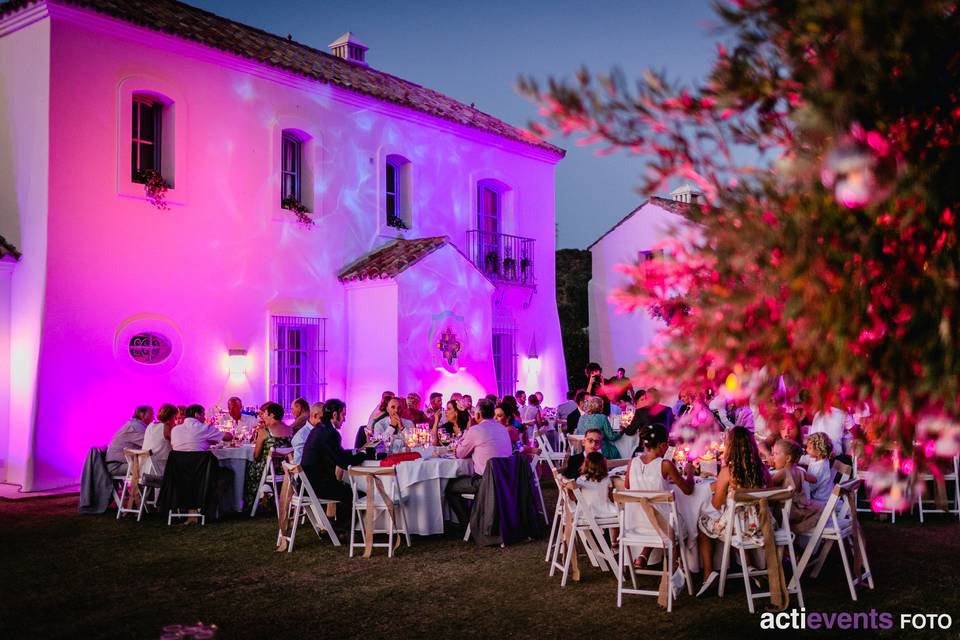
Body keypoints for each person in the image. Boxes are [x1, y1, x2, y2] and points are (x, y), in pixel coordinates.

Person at [696, 426, 770, 596]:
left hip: (739, 529)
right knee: (738, 521)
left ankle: (708, 573)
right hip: (762, 525)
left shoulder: (728, 471)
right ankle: (749, 566)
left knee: (703, 523)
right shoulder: (762, 469)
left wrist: (718, 489)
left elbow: (716, 504)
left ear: (730, 447)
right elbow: (769, 490)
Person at [624, 424, 695, 567]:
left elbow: (627, 486)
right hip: (662, 525)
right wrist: (690, 473)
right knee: (686, 521)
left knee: (654, 516)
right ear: (663, 445)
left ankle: (643, 554)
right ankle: (675, 563)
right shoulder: (665, 464)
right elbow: (687, 490)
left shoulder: (633, 462)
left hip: (636, 524)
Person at [444, 398, 514, 529]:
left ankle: (468, 526)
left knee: (450, 488)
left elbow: (459, 454)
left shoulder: (476, 430)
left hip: (485, 481)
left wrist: (468, 430)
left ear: (477, 415)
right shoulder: (502, 428)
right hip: (505, 478)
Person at [300, 398, 366, 531]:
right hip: (318, 485)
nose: (345, 419)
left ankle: (337, 528)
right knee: (358, 495)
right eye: (343, 415)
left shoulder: (319, 429)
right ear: (335, 415)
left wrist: (356, 451)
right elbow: (342, 462)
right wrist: (364, 455)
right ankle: (340, 530)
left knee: (348, 492)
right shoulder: (330, 433)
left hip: (305, 483)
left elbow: (337, 453)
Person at [244, 402, 293, 510]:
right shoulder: (290, 430)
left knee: (246, 467)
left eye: (265, 413)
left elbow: (256, 456)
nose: (263, 416)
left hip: (267, 469)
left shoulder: (264, 431)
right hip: (285, 469)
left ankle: (250, 503)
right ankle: (266, 494)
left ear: (272, 415)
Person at [769, 439, 822, 533]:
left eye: (776, 454)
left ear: (788, 458)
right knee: (821, 508)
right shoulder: (800, 471)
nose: (773, 457)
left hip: (785, 513)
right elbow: (814, 479)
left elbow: (768, 485)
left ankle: (793, 531)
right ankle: (796, 531)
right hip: (798, 509)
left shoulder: (783, 472)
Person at [106, 406, 154, 475]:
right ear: (142, 415)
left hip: (119, 463)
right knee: (151, 467)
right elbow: (150, 445)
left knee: (150, 465)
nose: (153, 418)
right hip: (116, 466)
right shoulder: (135, 427)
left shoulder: (135, 424)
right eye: (151, 415)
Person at [574, 451, 619, 519]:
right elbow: (610, 496)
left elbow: (577, 497)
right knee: (621, 510)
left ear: (585, 465)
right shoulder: (607, 479)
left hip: (587, 513)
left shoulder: (580, 480)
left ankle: (598, 530)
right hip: (607, 512)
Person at [141, 403, 177, 478]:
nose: (175, 420)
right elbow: (177, 444)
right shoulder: (166, 427)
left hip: (145, 467)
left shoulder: (150, 425)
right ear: (171, 417)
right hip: (159, 468)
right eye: (175, 417)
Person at [801, 432, 835, 502]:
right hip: (818, 496)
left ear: (819, 451)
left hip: (820, 500)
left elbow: (810, 488)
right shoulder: (817, 458)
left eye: (810, 448)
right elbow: (804, 459)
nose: (806, 450)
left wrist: (799, 477)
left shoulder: (820, 467)